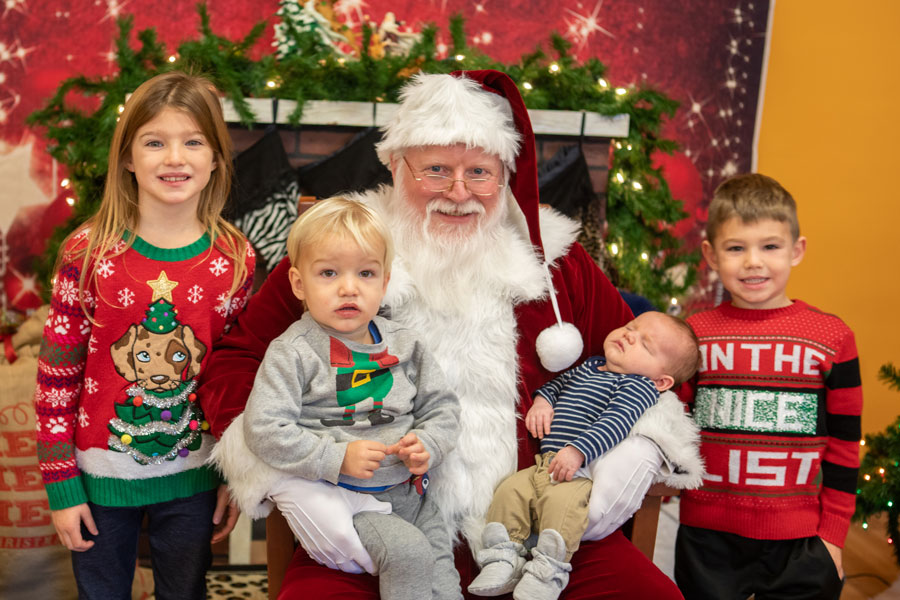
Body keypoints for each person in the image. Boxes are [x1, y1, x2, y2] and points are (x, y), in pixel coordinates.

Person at [202, 69, 702, 599]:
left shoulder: (555, 263)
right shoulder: (340, 253)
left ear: (504, 174)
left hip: (535, 529)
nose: (460, 193)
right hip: (371, 515)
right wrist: (296, 474)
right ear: (396, 166)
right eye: (436, 170)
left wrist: (636, 452)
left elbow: (667, 369)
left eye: (479, 173)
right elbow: (236, 362)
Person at [34, 71, 253, 599]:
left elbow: (238, 379)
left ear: (216, 158)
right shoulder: (88, 254)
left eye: (192, 141)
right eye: (155, 142)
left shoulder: (234, 260)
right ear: (128, 157)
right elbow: (56, 379)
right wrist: (61, 485)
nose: (174, 158)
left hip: (196, 475)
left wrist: (237, 474)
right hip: (100, 476)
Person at [212, 197, 462, 600]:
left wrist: (429, 443)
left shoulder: (407, 343)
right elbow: (263, 428)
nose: (349, 288)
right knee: (409, 555)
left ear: (384, 282)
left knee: (444, 576)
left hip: (413, 491)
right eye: (328, 273)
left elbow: (442, 407)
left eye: (365, 273)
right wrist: (335, 458)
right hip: (351, 499)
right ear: (298, 284)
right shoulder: (294, 351)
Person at [675, 173, 862, 600]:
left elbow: (846, 446)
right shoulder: (694, 335)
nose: (753, 262)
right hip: (706, 537)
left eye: (770, 247)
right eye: (736, 248)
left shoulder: (832, 338)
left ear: (797, 251)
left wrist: (833, 536)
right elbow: (673, 424)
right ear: (711, 254)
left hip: (802, 540)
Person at [470, 311, 701, 600]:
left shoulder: (639, 387)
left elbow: (616, 422)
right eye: (630, 327)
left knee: (561, 505)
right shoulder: (590, 365)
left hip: (577, 472)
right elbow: (557, 385)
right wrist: (543, 401)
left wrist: (579, 450)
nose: (629, 335)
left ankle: (549, 569)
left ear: (662, 381)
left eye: (645, 344)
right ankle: (503, 556)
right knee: (510, 490)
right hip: (546, 462)